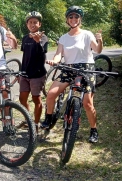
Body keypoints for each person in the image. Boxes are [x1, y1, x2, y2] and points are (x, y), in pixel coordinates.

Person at [40, 6, 103, 143]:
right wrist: (54, 61)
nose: (73, 19)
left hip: (86, 68)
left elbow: (97, 50)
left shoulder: (87, 34)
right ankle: (49, 118)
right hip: (68, 69)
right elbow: (58, 54)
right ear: (67, 20)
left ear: (80, 19)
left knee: (87, 104)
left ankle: (93, 130)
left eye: (76, 17)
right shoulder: (64, 38)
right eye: (71, 17)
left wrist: (100, 40)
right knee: (51, 94)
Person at [19, 11, 48, 133]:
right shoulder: (25, 38)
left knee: (37, 99)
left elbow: (42, 54)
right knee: (22, 99)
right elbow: (25, 56)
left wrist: (38, 41)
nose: (32, 24)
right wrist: (20, 72)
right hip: (25, 74)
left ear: (39, 24)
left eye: (35, 22)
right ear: (27, 25)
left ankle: (36, 124)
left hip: (37, 74)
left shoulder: (43, 37)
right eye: (30, 22)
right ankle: (29, 120)